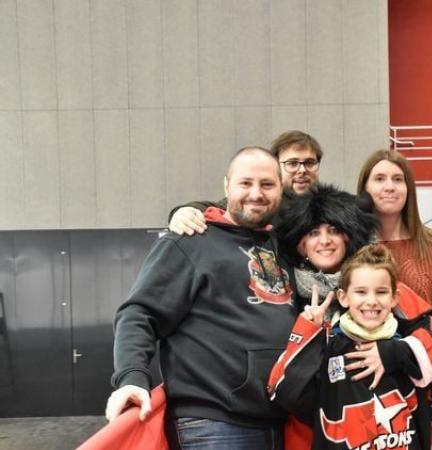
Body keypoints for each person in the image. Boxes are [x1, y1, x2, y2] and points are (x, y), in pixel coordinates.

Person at [105, 146, 295, 450]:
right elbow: (138, 314)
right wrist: (131, 378)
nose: (256, 193)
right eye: (245, 183)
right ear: (226, 186)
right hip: (212, 423)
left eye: (267, 184)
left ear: (280, 189)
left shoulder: (282, 246)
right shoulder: (190, 240)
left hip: (274, 419)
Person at [273, 183, 432, 449]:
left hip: (395, 433)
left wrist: (394, 353)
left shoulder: (383, 283)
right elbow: (282, 388)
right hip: (318, 434)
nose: (325, 241)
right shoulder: (283, 291)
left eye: (334, 231)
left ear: (349, 237)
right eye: (314, 232)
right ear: (301, 243)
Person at [268, 244, 432, 450]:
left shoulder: (407, 345)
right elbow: (281, 391)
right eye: (361, 292)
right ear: (343, 298)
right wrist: (308, 329)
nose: (371, 301)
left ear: (394, 298)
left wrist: (393, 353)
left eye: (381, 292)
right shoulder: (327, 347)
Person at [355, 150, 432, 349]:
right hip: (367, 365)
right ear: (365, 189)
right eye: (379, 179)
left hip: (426, 366)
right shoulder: (353, 245)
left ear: (408, 188)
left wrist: (427, 345)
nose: (390, 187)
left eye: (398, 179)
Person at [169, 130, 324, 235]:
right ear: (275, 167)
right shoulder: (265, 202)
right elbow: (218, 208)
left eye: (310, 162)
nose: (302, 170)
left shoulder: (329, 206)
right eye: (292, 163)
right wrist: (184, 213)